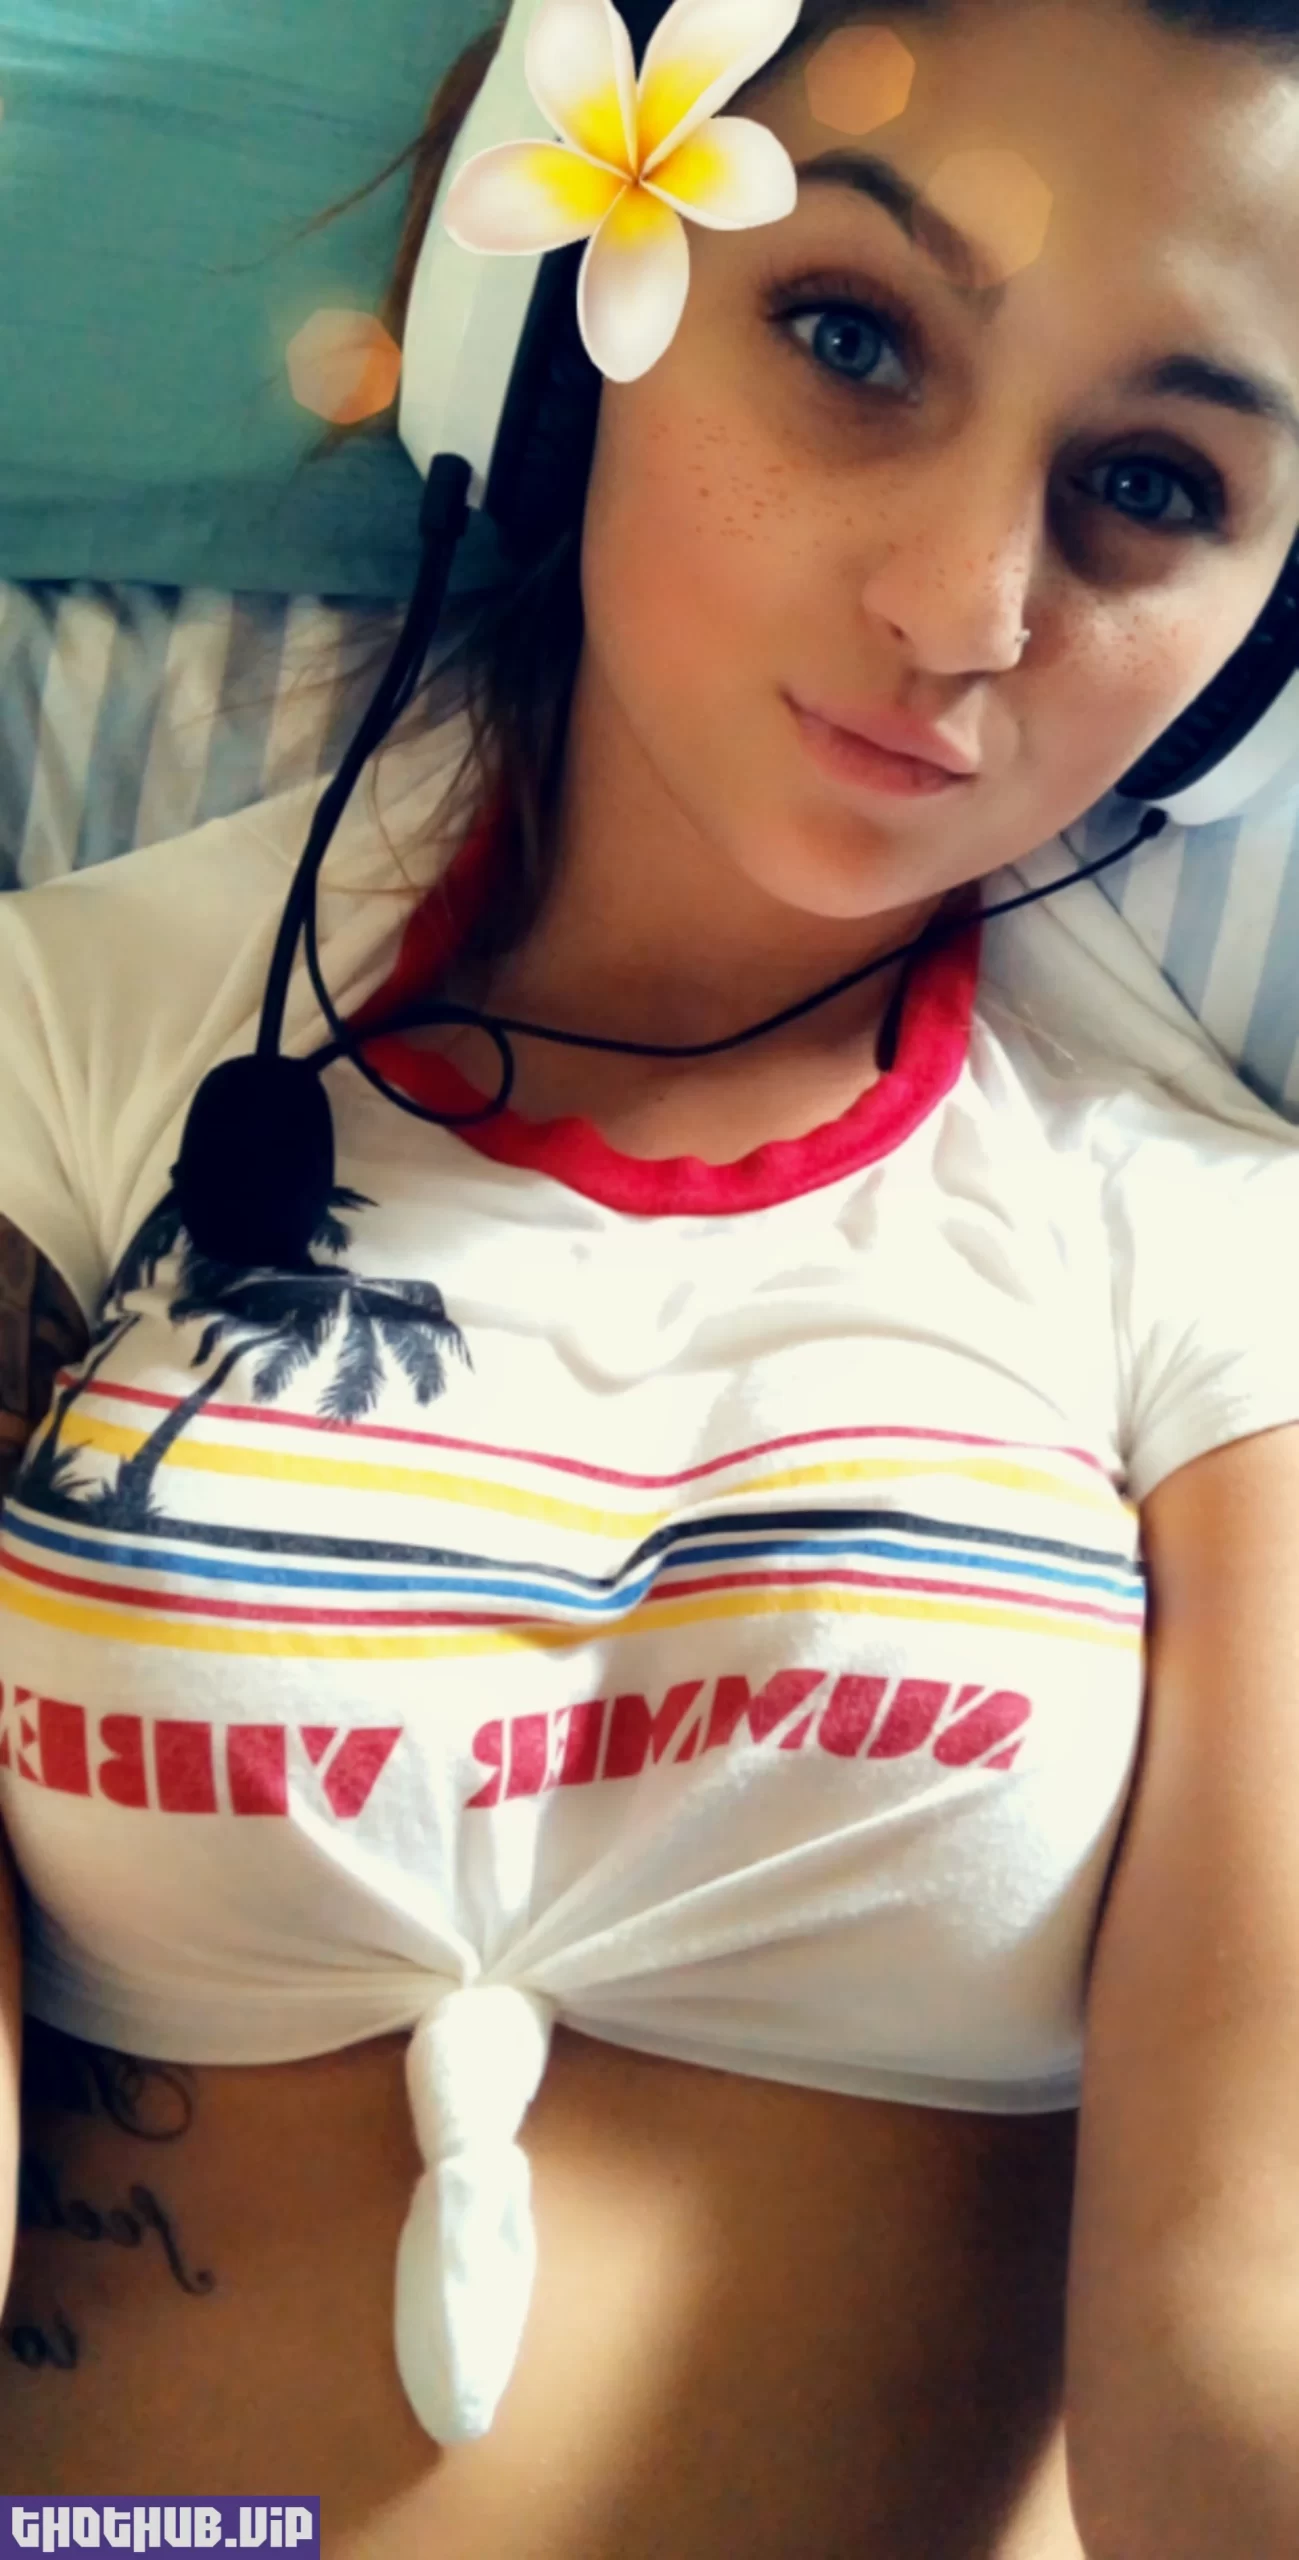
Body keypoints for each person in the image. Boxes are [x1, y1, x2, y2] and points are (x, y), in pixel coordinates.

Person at [2, 0, 1299, 2547]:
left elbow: (1238, 2311)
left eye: (1151, 483)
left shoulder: (1227, 1259)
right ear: (550, 319)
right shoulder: (57, 1048)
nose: (961, 604)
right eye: (850, 336)